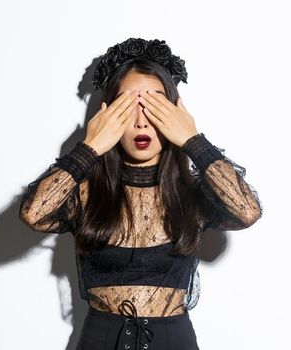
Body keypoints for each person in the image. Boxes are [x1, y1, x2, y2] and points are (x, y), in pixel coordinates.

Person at [19, 37, 263, 350]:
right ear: (109, 115)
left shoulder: (193, 193)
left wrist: (192, 139)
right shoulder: (85, 193)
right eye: (129, 107)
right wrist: (90, 146)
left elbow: (248, 211)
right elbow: (33, 213)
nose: (141, 121)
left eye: (155, 107)